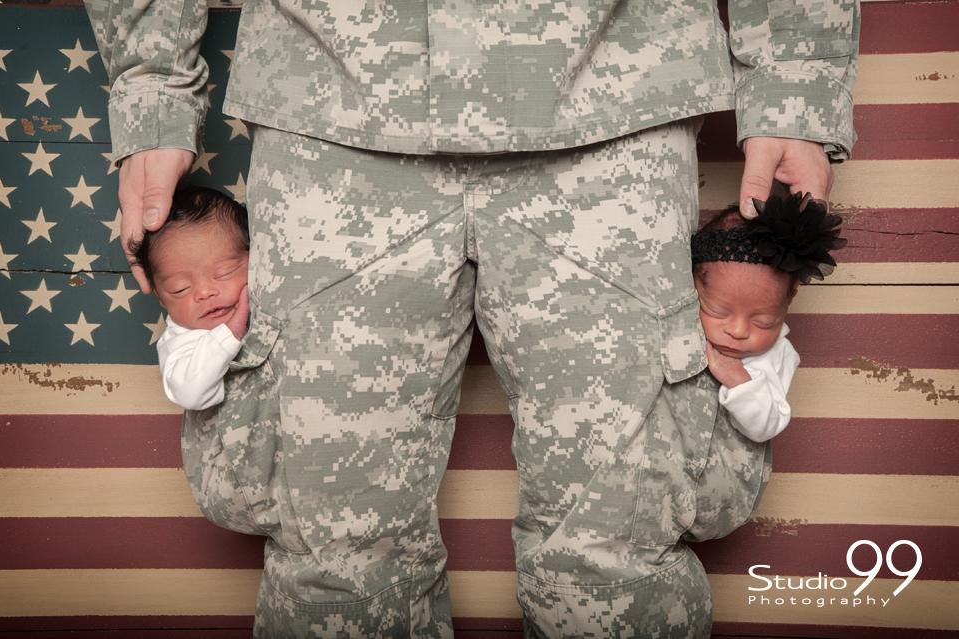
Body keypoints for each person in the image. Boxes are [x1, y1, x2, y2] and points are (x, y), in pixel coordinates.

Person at [83, 1, 860, 636]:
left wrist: (794, 78)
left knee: (620, 549)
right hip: (331, 101)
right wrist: (152, 85)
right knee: (335, 560)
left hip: (614, 95)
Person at [692, 191, 846, 443]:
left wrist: (738, 379)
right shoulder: (682, 323)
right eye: (718, 311)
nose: (738, 331)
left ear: (788, 300)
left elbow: (767, 426)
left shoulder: (776, 355)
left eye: (763, 322)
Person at [129, 186, 251, 410]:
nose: (204, 292)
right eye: (180, 289)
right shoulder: (180, 340)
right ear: (161, 298)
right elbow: (189, 394)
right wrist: (229, 334)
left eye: (224, 272)